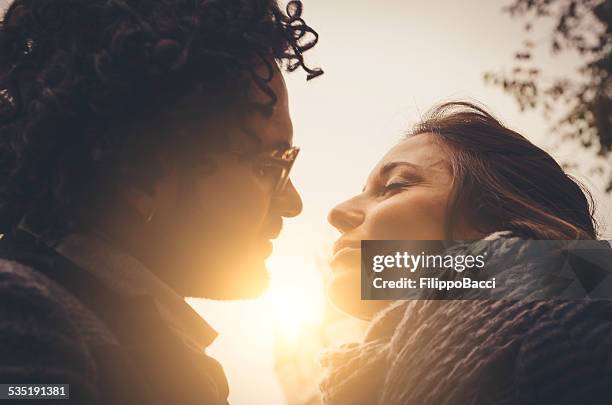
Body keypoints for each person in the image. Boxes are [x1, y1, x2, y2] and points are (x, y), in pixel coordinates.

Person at [0, 0, 321, 403]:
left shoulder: (122, 335)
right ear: (140, 168)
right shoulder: (24, 323)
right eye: (267, 165)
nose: (293, 203)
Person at [321, 101, 612, 404]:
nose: (337, 213)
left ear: (491, 214)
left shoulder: (574, 338)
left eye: (394, 185)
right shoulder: (376, 383)